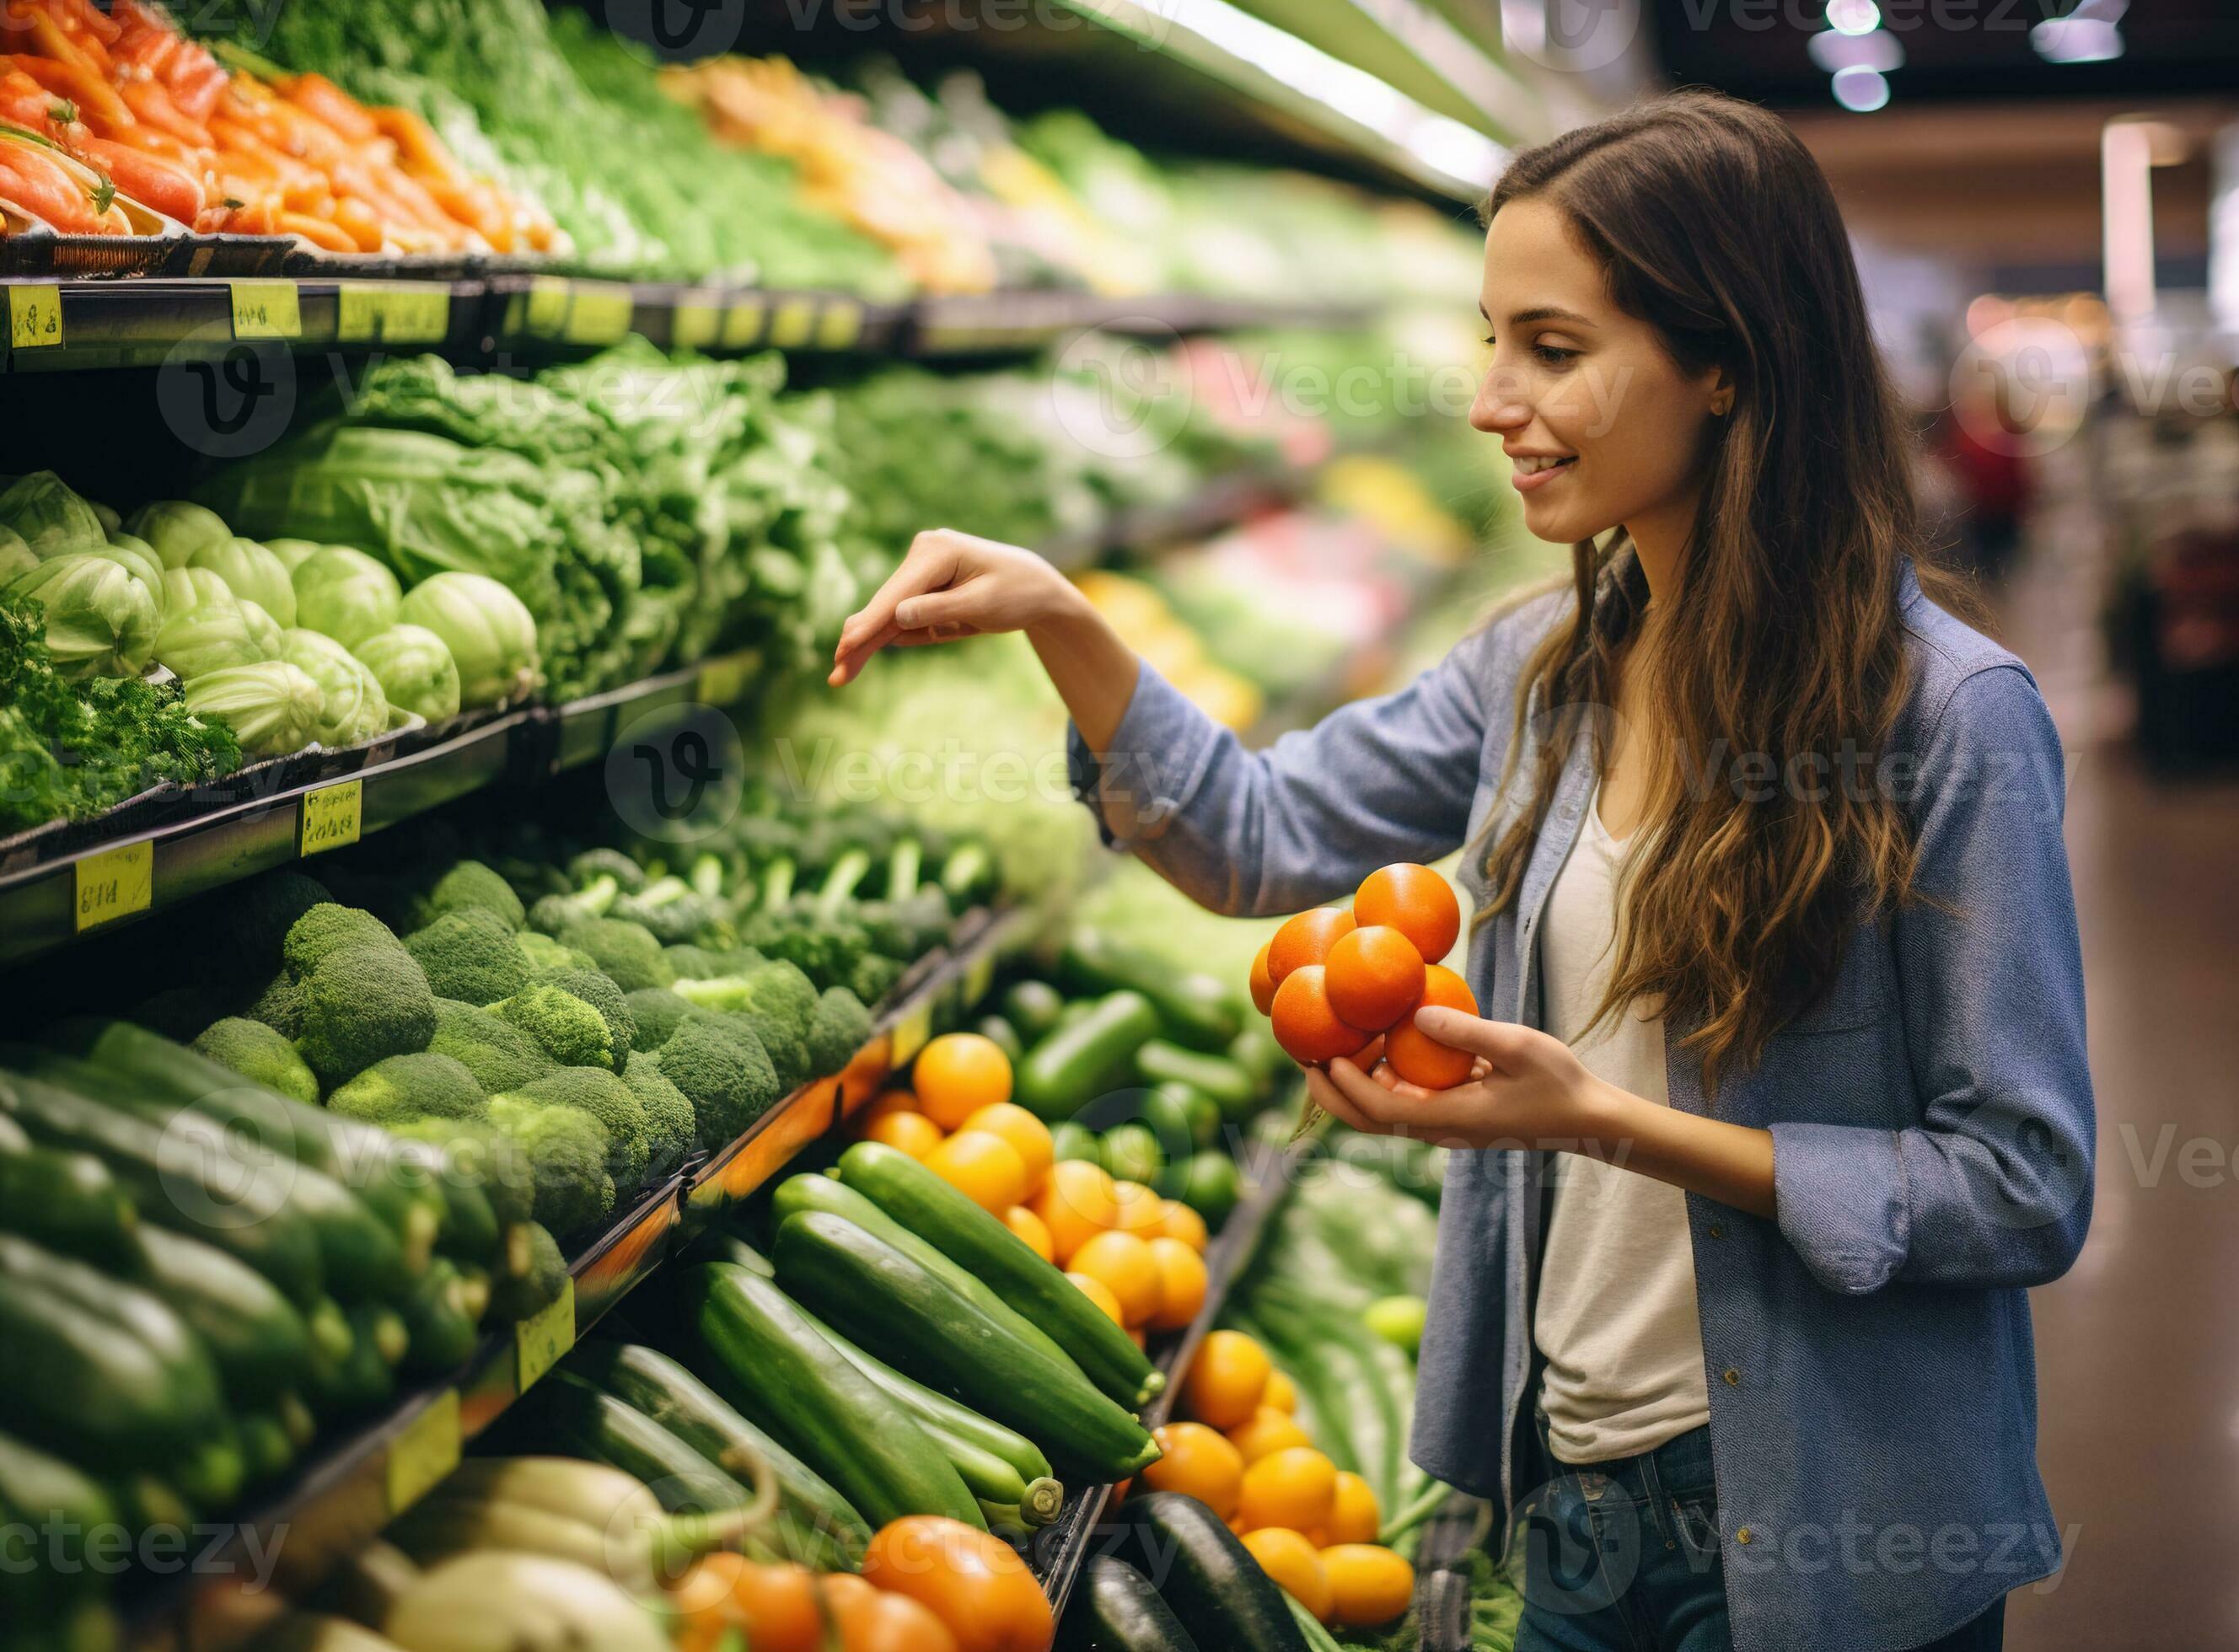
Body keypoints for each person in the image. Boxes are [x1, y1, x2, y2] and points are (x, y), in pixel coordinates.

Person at [831, 92, 2096, 1652]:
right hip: (1566, 1500)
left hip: (1820, 1528)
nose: (1492, 399)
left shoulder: (1951, 722)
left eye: (1553, 350)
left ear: (1722, 363)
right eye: (1491, 338)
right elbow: (1255, 837)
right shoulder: (1536, 679)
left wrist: (1608, 1126)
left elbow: (2024, 1186)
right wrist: (1068, 622)